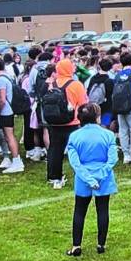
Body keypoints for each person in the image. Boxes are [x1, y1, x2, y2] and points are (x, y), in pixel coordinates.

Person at [65, 103, 118, 257]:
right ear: (97, 117)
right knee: (103, 210)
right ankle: (101, 244)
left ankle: (76, 246)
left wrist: (88, 179)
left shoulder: (74, 136)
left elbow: (75, 163)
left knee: (79, 211)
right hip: (104, 178)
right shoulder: (107, 135)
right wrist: (100, 175)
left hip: (83, 179)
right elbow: (112, 159)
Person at [47, 59, 89, 188]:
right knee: (78, 150)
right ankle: (82, 174)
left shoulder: (51, 83)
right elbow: (83, 103)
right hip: (72, 121)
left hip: (54, 121)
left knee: (55, 150)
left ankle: (54, 177)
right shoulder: (76, 85)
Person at [0, 58, 25, 173]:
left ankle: (16, 160)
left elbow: (2, 99)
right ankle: (15, 159)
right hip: (9, 110)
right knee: (9, 135)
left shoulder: (0, 80)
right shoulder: (7, 76)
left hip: (5, 111)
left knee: (9, 136)